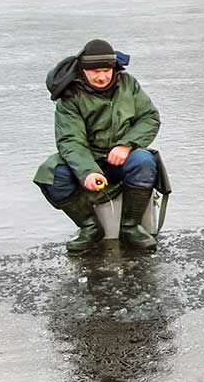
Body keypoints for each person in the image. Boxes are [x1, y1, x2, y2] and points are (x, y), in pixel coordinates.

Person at [32, 39, 161, 253]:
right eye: (95, 72)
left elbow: (150, 118)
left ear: (114, 68)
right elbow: (70, 140)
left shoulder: (128, 84)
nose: (101, 77)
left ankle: (130, 226)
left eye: (106, 70)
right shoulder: (70, 95)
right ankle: (89, 227)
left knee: (144, 162)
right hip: (87, 158)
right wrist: (88, 171)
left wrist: (126, 145)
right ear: (83, 71)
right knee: (51, 174)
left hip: (122, 157)